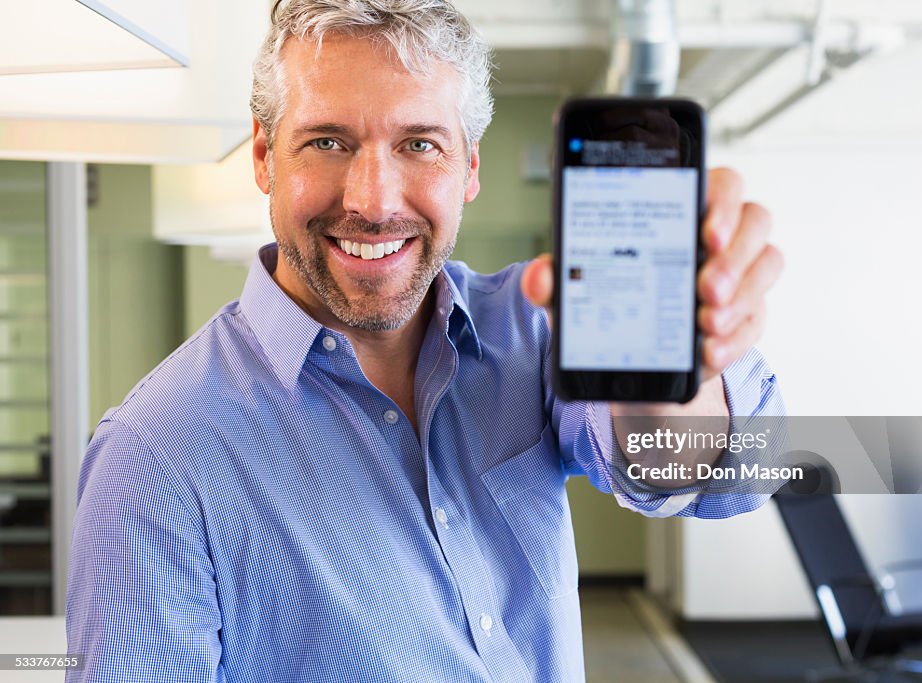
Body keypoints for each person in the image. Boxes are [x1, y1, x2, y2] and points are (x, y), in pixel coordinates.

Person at [66, 1, 784, 681]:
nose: (373, 200)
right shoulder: (154, 454)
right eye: (326, 141)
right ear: (263, 155)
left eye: (419, 144)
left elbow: (730, 475)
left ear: (469, 166)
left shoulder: (531, 329)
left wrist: (680, 364)